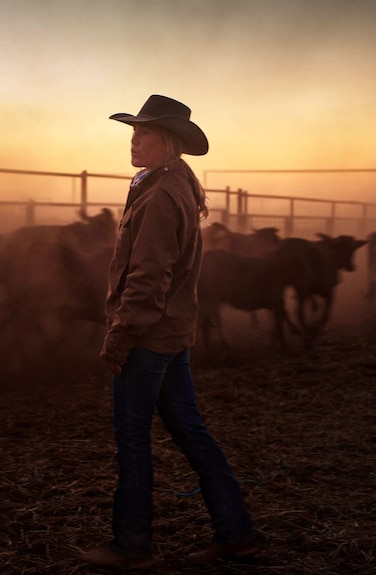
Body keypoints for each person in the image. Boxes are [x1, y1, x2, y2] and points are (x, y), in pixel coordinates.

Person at [79, 95, 259, 569]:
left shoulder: (159, 196)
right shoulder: (171, 184)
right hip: (171, 333)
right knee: (191, 432)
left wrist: (118, 337)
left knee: (133, 439)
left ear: (169, 142)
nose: (135, 140)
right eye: (133, 132)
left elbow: (148, 278)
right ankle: (236, 532)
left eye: (145, 133)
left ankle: (131, 545)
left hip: (147, 337)